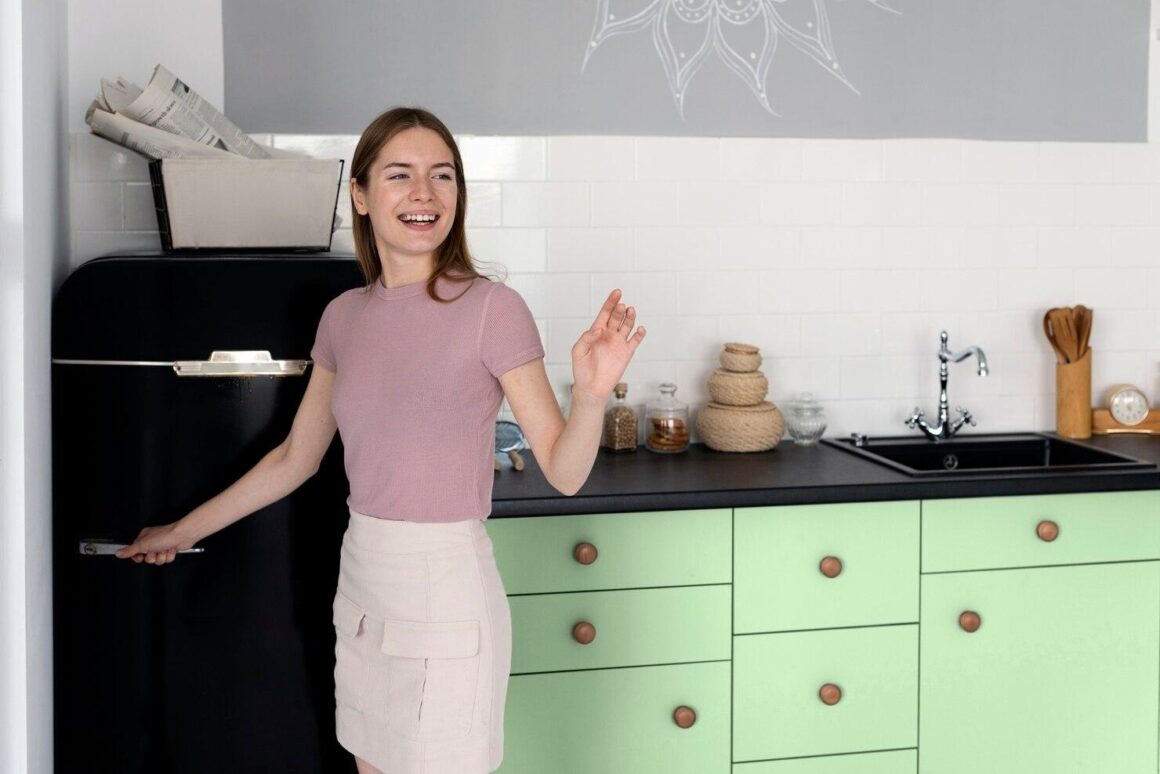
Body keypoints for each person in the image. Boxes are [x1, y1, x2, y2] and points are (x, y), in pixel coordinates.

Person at [114, 106, 646, 774]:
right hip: (363, 581)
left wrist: (592, 393)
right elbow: (293, 459)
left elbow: (565, 472)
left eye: (442, 176)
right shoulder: (344, 317)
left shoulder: (491, 309)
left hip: (446, 589)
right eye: (401, 175)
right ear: (361, 196)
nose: (425, 193)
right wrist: (179, 530)